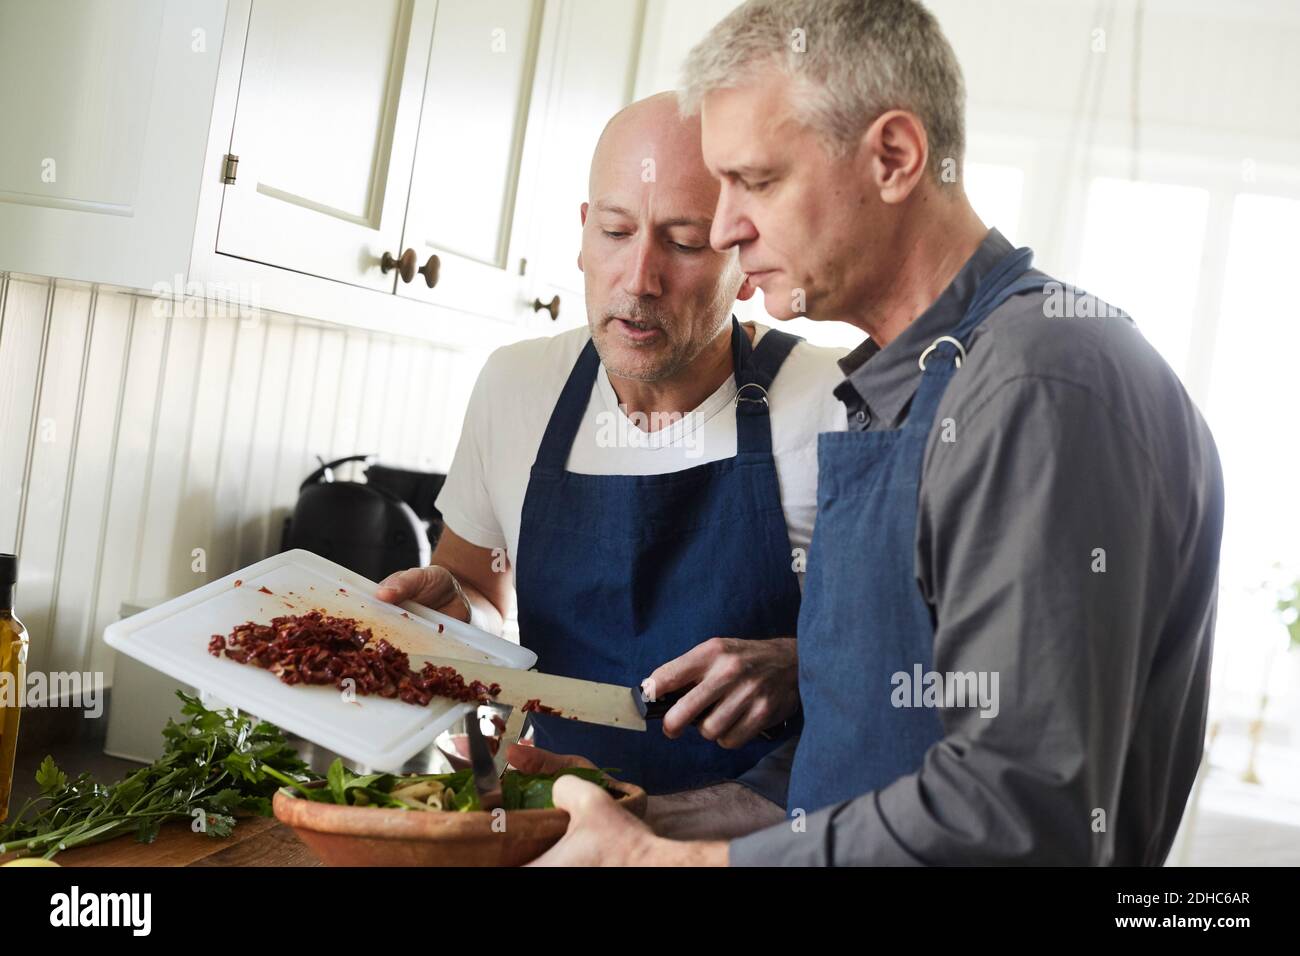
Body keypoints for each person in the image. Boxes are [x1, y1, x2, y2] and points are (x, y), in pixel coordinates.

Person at [527, 0, 1224, 865]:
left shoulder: (1041, 383)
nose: (723, 229)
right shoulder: (905, 386)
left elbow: (1018, 808)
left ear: (893, 158)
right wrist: (638, 825)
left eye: (757, 181)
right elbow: (851, 770)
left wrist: (664, 865)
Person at [377, 91, 847, 817]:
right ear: (582, 233)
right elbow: (477, 588)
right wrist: (457, 611)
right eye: (616, 231)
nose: (637, 279)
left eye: (686, 242)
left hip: (750, 843)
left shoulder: (838, 405)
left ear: (750, 261)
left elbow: (913, 670)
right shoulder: (517, 386)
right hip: (556, 826)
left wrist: (799, 664)